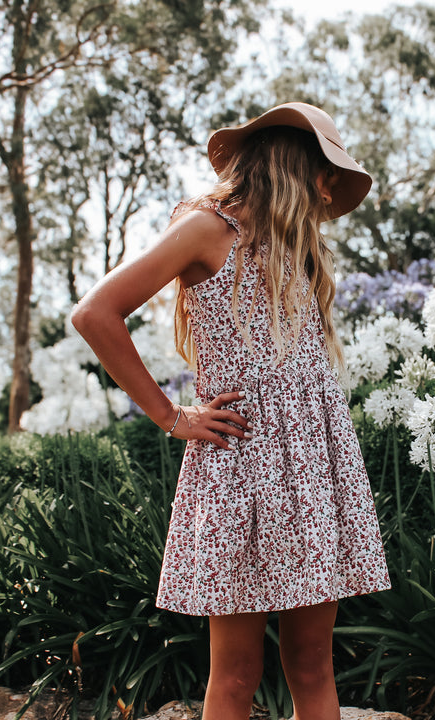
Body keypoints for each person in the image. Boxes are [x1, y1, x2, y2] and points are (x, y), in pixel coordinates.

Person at [71, 102, 391, 720]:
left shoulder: (295, 247)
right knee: (238, 672)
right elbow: (94, 314)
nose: (329, 190)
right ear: (294, 164)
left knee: (312, 665)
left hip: (313, 464)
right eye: (326, 172)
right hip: (240, 459)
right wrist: (171, 415)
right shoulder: (206, 229)